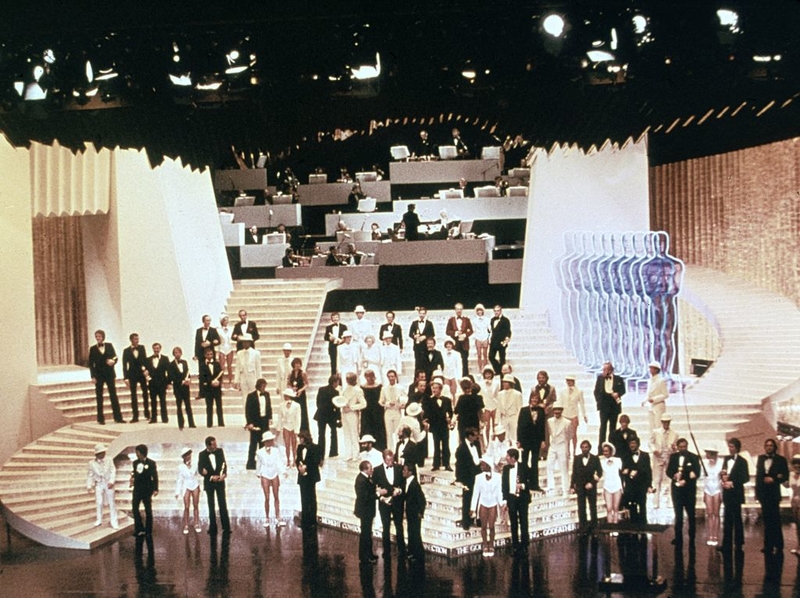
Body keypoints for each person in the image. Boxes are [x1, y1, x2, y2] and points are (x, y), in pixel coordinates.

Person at [756, 437, 789, 554]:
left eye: (771, 445)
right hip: (764, 494)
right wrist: (757, 494)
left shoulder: (781, 460)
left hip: (774, 494)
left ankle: (779, 545)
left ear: (775, 447)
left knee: (775, 519)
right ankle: (768, 545)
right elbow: (759, 476)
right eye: (767, 445)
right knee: (766, 520)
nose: (769, 447)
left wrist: (773, 478)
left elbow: (784, 475)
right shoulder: (760, 459)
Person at [666, 437, 701, 546]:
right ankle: (678, 537)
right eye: (680, 447)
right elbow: (668, 471)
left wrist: (686, 480)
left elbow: (697, 473)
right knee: (678, 515)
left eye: (684, 447)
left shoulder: (694, 457)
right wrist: (674, 475)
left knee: (691, 514)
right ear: (677, 447)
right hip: (677, 490)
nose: (682, 449)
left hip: (689, 490)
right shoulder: (673, 457)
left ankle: (692, 537)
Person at [374, 449, 405, 558]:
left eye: (392, 460)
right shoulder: (377, 470)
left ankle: (402, 550)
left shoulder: (399, 468)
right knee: (386, 527)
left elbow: (403, 484)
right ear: (383, 459)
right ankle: (386, 551)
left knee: (399, 526)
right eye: (388, 460)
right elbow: (374, 489)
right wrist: (382, 498)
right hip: (384, 504)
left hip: (397, 503)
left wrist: (399, 491)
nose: (391, 462)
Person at [88, 329, 123, 424]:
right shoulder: (92, 348)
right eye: (96, 336)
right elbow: (91, 364)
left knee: (113, 395)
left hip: (109, 374)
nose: (97, 338)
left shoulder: (109, 345)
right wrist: (93, 376)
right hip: (99, 375)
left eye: (99, 336)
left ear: (103, 337)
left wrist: (113, 361)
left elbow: (115, 356)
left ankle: (118, 417)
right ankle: (100, 418)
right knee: (99, 396)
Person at [720, 437, 749, 552]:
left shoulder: (742, 461)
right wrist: (723, 479)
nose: (730, 449)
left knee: (737, 517)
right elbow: (723, 472)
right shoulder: (726, 459)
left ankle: (739, 543)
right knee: (727, 518)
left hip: (736, 493)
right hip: (727, 493)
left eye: (731, 447)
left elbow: (745, 477)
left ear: (737, 448)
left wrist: (732, 483)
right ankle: (726, 544)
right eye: (729, 446)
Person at [470, 457, 503, 557]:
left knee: (492, 526)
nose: (481, 466)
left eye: (483, 464)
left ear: (488, 465)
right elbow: (475, 493)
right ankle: (485, 544)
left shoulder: (498, 477)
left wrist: (502, 504)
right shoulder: (478, 477)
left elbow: (499, 492)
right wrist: (472, 508)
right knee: (484, 526)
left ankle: (491, 544)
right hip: (483, 503)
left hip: (493, 503)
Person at [198, 436, 230, 535]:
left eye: (216, 444)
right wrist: (210, 476)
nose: (216, 446)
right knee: (211, 505)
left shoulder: (220, 451)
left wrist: (223, 475)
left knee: (222, 504)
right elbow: (200, 468)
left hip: (220, 482)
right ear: (208, 445)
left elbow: (224, 464)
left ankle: (226, 527)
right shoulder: (202, 454)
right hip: (210, 483)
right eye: (213, 444)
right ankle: (212, 527)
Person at [570, 440, 602, 533]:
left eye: (586, 447)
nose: (584, 449)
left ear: (589, 448)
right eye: (583, 447)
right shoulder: (577, 458)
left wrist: (592, 483)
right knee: (581, 506)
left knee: (593, 506)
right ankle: (582, 526)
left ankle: (594, 525)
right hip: (580, 486)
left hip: (591, 486)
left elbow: (599, 472)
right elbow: (574, 473)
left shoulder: (595, 458)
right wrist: (572, 486)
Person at [502, 448, 530, 554]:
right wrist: (505, 500)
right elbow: (504, 486)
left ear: (513, 458)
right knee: (513, 522)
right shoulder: (505, 469)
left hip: (522, 499)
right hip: (512, 499)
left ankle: (525, 544)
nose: (506, 458)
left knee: (523, 521)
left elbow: (531, 482)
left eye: (508, 456)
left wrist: (522, 485)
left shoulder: (524, 467)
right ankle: (515, 545)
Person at [517, 392, 546, 492]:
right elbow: (519, 426)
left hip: (536, 441)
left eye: (536, 399)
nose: (534, 400)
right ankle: (524, 482)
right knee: (524, 461)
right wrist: (519, 440)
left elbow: (542, 427)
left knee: (535, 463)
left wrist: (543, 440)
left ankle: (534, 484)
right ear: (530, 399)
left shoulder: (541, 411)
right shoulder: (524, 410)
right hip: (525, 440)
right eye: (533, 398)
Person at [423, 379, 454, 471]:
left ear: (440, 389)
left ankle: (447, 464)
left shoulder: (447, 400)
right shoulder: (430, 400)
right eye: (433, 388)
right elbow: (427, 413)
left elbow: (450, 412)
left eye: (436, 388)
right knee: (436, 445)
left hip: (444, 426)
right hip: (435, 426)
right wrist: (427, 423)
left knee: (446, 445)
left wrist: (449, 419)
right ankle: (436, 464)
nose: (434, 390)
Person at [620, 436, 652, 526]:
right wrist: (629, 472)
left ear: (638, 444)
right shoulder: (625, 456)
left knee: (642, 506)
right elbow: (623, 470)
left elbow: (648, 471)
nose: (632, 445)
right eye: (630, 443)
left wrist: (649, 485)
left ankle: (644, 527)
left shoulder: (645, 455)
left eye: (634, 443)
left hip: (641, 485)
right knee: (632, 507)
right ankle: (634, 528)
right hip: (630, 486)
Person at [87, 443, 119, 529]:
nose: (104, 454)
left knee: (112, 503)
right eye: (101, 452)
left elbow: (113, 470)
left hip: (109, 483)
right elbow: (90, 475)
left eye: (104, 452)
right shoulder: (91, 463)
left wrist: (112, 481)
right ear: (97, 454)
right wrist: (89, 486)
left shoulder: (109, 459)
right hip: (99, 484)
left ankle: (114, 522)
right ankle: (99, 519)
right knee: (99, 502)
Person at [257, 432, 285, 527]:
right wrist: (258, 473)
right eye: (270, 440)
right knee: (267, 497)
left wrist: (283, 471)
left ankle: (278, 517)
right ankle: (267, 518)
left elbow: (279, 462)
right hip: (265, 474)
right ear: (266, 442)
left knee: (276, 496)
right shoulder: (259, 452)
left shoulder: (276, 451)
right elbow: (259, 465)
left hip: (274, 473)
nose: (272, 442)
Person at [455, 427, 482, 530]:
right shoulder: (461, 449)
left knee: (478, 498)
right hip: (467, 478)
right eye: (475, 435)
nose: (477, 437)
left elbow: (478, 458)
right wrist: (460, 480)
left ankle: (478, 520)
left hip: (477, 475)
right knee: (467, 500)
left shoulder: (477, 445)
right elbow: (459, 466)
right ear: (470, 436)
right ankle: (466, 522)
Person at [594, 362, 626, 446]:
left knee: (613, 428)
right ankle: (601, 449)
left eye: (605, 369)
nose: (603, 371)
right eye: (603, 369)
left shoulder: (618, 379)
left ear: (610, 370)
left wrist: (618, 394)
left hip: (614, 406)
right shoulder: (600, 378)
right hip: (604, 406)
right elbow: (596, 391)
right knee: (603, 428)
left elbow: (623, 390)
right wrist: (599, 401)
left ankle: (611, 447)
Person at [650, 414, 679, 508]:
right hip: (658, 458)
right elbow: (650, 442)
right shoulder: (656, 432)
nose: (666, 423)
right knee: (657, 480)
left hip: (669, 458)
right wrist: (654, 449)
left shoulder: (674, 434)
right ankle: (655, 501)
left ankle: (671, 501)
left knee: (670, 479)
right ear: (662, 422)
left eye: (668, 422)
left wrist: (675, 448)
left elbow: (675, 446)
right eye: (664, 422)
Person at [130, 444, 158, 537]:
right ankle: (139, 528)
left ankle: (148, 530)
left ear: (142, 453)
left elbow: (154, 476)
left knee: (148, 509)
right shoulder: (135, 463)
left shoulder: (151, 463)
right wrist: (132, 479)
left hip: (147, 489)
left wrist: (155, 489)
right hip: (137, 489)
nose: (136, 454)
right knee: (135, 508)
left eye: (137, 452)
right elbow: (134, 473)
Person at [244, 378, 272, 470]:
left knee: (263, 442)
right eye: (263, 386)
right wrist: (249, 423)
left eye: (265, 386)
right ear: (258, 386)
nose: (264, 388)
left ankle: (262, 462)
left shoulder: (267, 394)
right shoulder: (251, 396)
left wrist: (270, 417)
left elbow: (269, 407)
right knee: (253, 443)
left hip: (264, 421)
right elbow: (247, 410)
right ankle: (250, 463)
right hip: (255, 421)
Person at [296, 430, 321, 530]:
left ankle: (312, 521)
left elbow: (316, 461)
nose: (299, 440)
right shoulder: (299, 447)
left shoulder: (315, 447)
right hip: (302, 476)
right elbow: (298, 459)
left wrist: (306, 467)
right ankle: (305, 521)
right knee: (304, 498)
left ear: (305, 438)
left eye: (301, 438)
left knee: (311, 498)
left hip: (311, 476)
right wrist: (299, 466)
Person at [354, 460, 378, 563]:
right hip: (365, 510)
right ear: (365, 469)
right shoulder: (361, 480)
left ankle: (368, 554)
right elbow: (366, 497)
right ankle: (365, 556)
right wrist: (378, 494)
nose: (372, 469)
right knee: (366, 533)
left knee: (367, 532)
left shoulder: (365, 478)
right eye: (370, 468)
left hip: (367, 510)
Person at [123, 332, 150, 423]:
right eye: (135, 339)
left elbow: (145, 360)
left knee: (145, 393)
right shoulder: (126, 351)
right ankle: (135, 416)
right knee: (133, 395)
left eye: (138, 339)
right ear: (131, 340)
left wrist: (146, 371)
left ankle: (147, 413)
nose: (137, 340)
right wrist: (126, 377)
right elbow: (124, 365)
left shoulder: (142, 348)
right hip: (132, 375)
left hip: (141, 374)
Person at [341, 372, 367, 461]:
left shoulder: (358, 390)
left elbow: (364, 404)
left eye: (349, 379)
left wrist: (352, 407)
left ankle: (356, 454)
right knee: (346, 434)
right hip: (344, 414)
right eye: (347, 378)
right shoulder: (345, 389)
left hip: (352, 414)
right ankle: (348, 454)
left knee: (354, 434)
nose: (347, 380)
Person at [175, 447, 201, 534]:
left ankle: (196, 523)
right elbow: (179, 480)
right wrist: (177, 492)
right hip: (186, 485)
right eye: (186, 455)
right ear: (183, 457)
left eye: (189, 454)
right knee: (186, 506)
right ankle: (186, 524)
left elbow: (198, 473)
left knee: (195, 505)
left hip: (195, 484)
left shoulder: (195, 464)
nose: (188, 456)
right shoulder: (180, 467)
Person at [402, 463, 426, 562]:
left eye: (405, 470)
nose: (403, 472)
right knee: (411, 532)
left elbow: (422, 500)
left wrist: (420, 512)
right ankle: (411, 551)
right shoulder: (406, 482)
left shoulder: (415, 484)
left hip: (415, 513)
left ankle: (418, 553)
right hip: (410, 512)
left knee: (415, 533)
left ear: (410, 472)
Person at [314, 374, 341, 460]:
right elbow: (337, 406)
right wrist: (338, 418)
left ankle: (321, 453)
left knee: (321, 435)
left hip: (321, 414)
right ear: (335, 382)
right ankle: (333, 452)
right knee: (333, 433)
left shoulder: (321, 389)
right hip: (330, 415)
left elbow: (317, 402)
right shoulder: (335, 392)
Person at [168, 346, 195, 430]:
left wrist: (188, 380)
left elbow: (187, 373)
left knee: (188, 405)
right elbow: (171, 376)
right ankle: (181, 423)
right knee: (179, 406)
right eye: (175, 353)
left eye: (178, 352)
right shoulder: (171, 364)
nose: (177, 354)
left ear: (181, 353)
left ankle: (191, 423)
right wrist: (181, 381)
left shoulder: (184, 362)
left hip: (185, 387)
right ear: (173, 354)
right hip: (178, 387)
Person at [546, 403, 570, 495]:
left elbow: (568, 437)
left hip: (562, 445)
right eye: (555, 409)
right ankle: (551, 486)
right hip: (553, 446)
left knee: (564, 467)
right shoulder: (549, 421)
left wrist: (567, 451)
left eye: (559, 409)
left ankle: (565, 487)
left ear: (562, 410)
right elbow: (550, 433)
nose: (557, 411)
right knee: (549, 465)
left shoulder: (567, 422)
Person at [561, 375, 587, 458]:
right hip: (565, 414)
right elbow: (560, 402)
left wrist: (584, 415)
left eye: (570, 380)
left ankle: (574, 451)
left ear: (574, 381)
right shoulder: (563, 391)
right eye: (567, 380)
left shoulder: (579, 391)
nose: (569, 382)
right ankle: (567, 451)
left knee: (574, 434)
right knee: (566, 435)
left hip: (574, 415)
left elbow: (582, 404)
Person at [703, 445, 723, 546]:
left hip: (717, 489)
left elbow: (721, 476)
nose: (707, 455)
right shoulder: (705, 464)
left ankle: (716, 535)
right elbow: (703, 477)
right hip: (707, 489)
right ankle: (710, 535)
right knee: (710, 513)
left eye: (708, 452)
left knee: (716, 513)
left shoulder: (720, 464)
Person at [445, 303, 473, 377]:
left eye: (460, 309)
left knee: (464, 361)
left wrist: (465, 335)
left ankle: (465, 377)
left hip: (464, 344)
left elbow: (471, 330)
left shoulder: (467, 319)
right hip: (455, 344)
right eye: (457, 309)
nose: (459, 311)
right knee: (455, 361)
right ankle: (455, 376)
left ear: (462, 310)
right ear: (455, 310)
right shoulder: (451, 320)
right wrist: (455, 333)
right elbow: (447, 331)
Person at [145, 342, 170, 423]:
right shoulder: (148, 359)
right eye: (155, 348)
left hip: (162, 383)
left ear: (160, 349)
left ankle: (164, 418)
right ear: (153, 349)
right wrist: (147, 378)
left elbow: (169, 371)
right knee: (153, 401)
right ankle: (154, 418)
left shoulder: (165, 358)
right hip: (152, 384)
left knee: (163, 401)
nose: (156, 350)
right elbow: (146, 371)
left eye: (157, 348)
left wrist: (168, 383)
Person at [199, 347, 224, 427]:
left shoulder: (217, 363)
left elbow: (220, 374)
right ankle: (209, 424)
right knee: (209, 407)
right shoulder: (202, 365)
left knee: (219, 406)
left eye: (211, 354)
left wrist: (218, 381)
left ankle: (221, 423)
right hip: (208, 389)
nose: (210, 356)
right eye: (208, 354)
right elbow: (202, 377)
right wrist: (210, 382)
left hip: (217, 388)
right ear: (205, 355)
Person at [361, 369, 385, 450]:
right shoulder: (362, 387)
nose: (368, 379)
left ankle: (379, 447)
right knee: (367, 428)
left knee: (378, 429)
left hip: (377, 411)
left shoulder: (379, 386)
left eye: (370, 377)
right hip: (366, 412)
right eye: (367, 377)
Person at [235, 333, 262, 407]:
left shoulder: (256, 353)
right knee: (244, 396)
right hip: (243, 376)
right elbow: (237, 367)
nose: (245, 343)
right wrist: (236, 380)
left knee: (254, 395)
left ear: (250, 342)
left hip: (252, 376)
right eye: (243, 342)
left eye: (247, 341)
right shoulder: (239, 353)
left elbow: (258, 368)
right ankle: (246, 414)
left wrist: (259, 381)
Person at [600, 442, 623, 526]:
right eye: (604, 451)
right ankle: (610, 527)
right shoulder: (601, 462)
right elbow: (599, 472)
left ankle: (616, 527)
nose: (605, 453)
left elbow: (622, 471)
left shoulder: (618, 460)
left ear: (611, 451)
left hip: (617, 485)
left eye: (607, 451)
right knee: (609, 508)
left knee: (616, 508)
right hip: (607, 486)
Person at [641, 361, 668, 433]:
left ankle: (659, 442)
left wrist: (654, 399)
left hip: (659, 406)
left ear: (656, 369)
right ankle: (651, 441)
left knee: (658, 425)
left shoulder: (661, 381)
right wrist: (644, 401)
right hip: (651, 406)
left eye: (652, 368)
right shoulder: (650, 380)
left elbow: (665, 394)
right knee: (651, 426)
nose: (650, 370)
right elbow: (649, 393)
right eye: (650, 368)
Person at [497, 374, 523, 443]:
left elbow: (519, 409)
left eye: (506, 382)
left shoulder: (517, 394)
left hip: (513, 417)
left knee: (514, 436)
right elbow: (498, 408)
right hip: (504, 418)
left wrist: (518, 421)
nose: (504, 384)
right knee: (505, 438)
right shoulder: (500, 394)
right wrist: (497, 421)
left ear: (511, 383)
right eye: (503, 382)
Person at [280, 389, 302, 467]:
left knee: (294, 444)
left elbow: (298, 418)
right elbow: (280, 417)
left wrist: (297, 429)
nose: (284, 397)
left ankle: (294, 460)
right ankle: (288, 460)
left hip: (293, 426)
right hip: (286, 426)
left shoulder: (297, 405)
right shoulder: (281, 405)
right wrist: (279, 427)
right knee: (287, 445)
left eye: (286, 395)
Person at [287, 357, 310, 431]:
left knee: (302, 411)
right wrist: (292, 388)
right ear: (293, 364)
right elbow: (288, 384)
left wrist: (301, 390)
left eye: (299, 363)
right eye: (296, 363)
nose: (297, 365)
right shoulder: (291, 373)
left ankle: (303, 429)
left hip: (301, 394)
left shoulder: (303, 373)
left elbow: (307, 384)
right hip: (293, 394)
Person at [478, 365, 498, 445]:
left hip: (494, 405)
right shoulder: (481, 384)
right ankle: (488, 443)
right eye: (486, 374)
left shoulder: (496, 383)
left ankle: (494, 442)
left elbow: (497, 395)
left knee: (494, 426)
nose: (488, 375)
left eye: (489, 374)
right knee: (487, 426)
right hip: (486, 406)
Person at [488, 305, 511, 374]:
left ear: (501, 311)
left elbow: (508, 331)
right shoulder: (492, 320)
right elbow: (492, 331)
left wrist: (506, 340)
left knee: (502, 359)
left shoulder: (505, 320)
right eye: (495, 311)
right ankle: (498, 370)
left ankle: (503, 372)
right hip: (493, 342)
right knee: (491, 357)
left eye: (498, 311)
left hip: (501, 342)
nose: (496, 312)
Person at [217, 315, 235, 389]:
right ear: (222, 321)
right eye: (224, 320)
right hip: (222, 348)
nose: (226, 322)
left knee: (229, 366)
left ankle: (230, 383)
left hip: (229, 348)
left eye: (227, 320)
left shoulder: (231, 329)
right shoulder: (218, 330)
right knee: (222, 367)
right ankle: (222, 384)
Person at [472, 304, 491, 373]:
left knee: (485, 354)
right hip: (478, 338)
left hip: (485, 337)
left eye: (480, 310)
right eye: (478, 310)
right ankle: (480, 368)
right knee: (479, 354)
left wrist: (489, 338)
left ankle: (485, 368)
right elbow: (473, 329)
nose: (479, 312)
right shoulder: (474, 320)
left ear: (483, 311)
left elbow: (489, 329)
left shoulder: (487, 319)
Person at [789, 455, 800, 555]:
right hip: (794, 501)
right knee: (797, 524)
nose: (797, 465)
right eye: (795, 463)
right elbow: (786, 484)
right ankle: (798, 545)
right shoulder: (791, 474)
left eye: (799, 463)